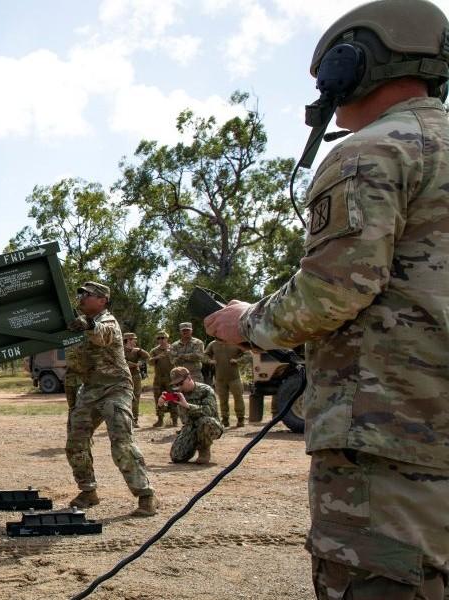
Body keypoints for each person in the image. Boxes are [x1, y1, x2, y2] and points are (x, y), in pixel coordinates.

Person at [204, 1, 449, 596]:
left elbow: (333, 291)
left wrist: (249, 321)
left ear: (350, 65)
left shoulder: (371, 151)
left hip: (391, 445)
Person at [64, 281, 156, 516]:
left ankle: (146, 496)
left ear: (102, 300)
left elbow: (102, 335)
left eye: (88, 295)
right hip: (91, 389)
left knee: (121, 441)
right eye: (81, 294)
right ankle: (88, 491)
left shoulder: (108, 321)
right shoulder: (78, 324)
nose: (82, 298)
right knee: (75, 441)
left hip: (116, 387)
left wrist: (87, 324)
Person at [160, 367, 222, 465]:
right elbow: (169, 411)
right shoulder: (178, 394)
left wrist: (188, 406)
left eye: (180, 383)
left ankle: (204, 450)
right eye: (176, 385)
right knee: (176, 457)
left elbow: (209, 411)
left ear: (189, 378)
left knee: (204, 421)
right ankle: (192, 445)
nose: (179, 386)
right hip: (190, 427)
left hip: (210, 426)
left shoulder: (205, 390)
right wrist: (161, 404)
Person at [205, 339, 247, 428]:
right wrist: (210, 361)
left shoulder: (235, 342)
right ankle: (225, 420)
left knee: (238, 398)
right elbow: (204, 355)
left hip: (234, 377)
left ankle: (240, 419)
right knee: (222, 400)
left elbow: (248, 354)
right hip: (220, 378)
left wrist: (237, 360)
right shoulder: (213, 344)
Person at [148, 331, 177, 427]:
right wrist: (157, 357)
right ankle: (160, 419)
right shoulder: (154, 350)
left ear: (167, 338)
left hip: (171, 378)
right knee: (159, 398)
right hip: (159, 378)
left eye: (163, 338)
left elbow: (178, 360)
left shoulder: (173, 348)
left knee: (172, 397)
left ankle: (175, 420)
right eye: (159, 338)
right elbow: (150, 362)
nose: (161, 340)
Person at [123, 333, 150, 428]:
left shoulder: (137, 351)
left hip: (135, 376)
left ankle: (134, 420)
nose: (135, 341)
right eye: (134, 339)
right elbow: (123, 362)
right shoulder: (121, 350)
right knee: (124, 398)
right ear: (129, 340)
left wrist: (140, 362)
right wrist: (134, 364)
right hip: (124, 377)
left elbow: (147, 356)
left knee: (136, 398)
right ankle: (124, 419)